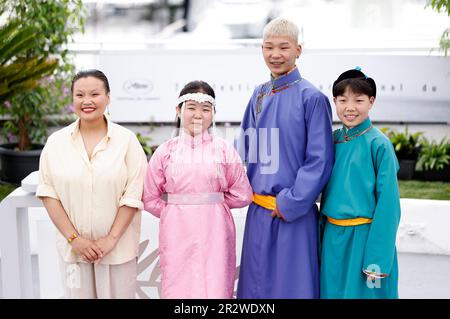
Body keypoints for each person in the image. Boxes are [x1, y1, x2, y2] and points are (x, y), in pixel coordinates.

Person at [235, 18, 334, 298]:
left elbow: (320, 160)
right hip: (258, 214)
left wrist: (290, 202)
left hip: (294, 215)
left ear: (298, 50)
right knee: (255, 290)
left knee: (293, 289)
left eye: (283, 47)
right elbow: (246, 148)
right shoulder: (259, 95)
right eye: (268, 47)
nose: (275, 55)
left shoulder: (312, 98)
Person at [36, 69, 147, 299]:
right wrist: (75, 240)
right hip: (74, 253)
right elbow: (48, 193)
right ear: (73, 99)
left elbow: (133, 193)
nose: (87, 101)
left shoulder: (127, 141)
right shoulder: (56, 143)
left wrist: (110, 240)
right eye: (80, 95)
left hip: (118, 251)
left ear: (108, 97)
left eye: (95, 94)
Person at [142, 81, 253, 299]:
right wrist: (172, 210)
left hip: (216, 229)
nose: (198, 115)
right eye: (191, 108)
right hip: (176, 229)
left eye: (205, 109)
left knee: (216, 282)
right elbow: (149, 196)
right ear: (178, 110)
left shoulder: (224, 150)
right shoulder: (165, 151)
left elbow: (243, 194)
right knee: (177, 283)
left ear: (214, 113)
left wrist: (213, 204)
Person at [319, 68, 401, 299]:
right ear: (334, 101)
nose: (350, 107)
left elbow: (389, 207)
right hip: (333, 240)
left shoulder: (379, 145)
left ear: (371, 101)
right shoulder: (332, 140)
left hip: (364, 240)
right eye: (343, 100)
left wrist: (377, 258)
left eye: (359, 100)